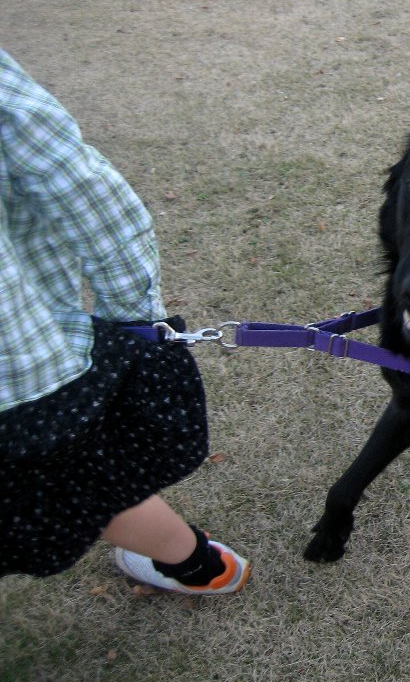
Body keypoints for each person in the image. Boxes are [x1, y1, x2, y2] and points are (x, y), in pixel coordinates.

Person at [0, 49, 249, 594]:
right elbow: (78, 184)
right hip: (21, 373)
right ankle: (201, 565)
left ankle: (198, 564)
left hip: (19, 378)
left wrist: (139, 325)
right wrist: (135, 317)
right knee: (79, 476)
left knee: (72, 477)